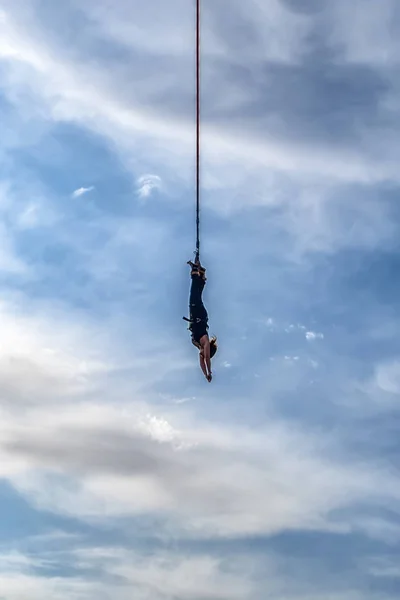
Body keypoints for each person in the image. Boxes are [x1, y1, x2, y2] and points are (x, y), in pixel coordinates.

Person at [184, 258, 217, 382]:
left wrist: (205, 375)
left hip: (196, 315)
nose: (202, 356)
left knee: (196, 295)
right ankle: (195, 272)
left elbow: (202, 363)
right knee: (193, 295)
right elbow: (207, 359)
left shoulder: (200, 347)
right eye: (204, 355)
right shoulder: (205, 343)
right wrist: (210, 372)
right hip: (199, 315)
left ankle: (201, 275)